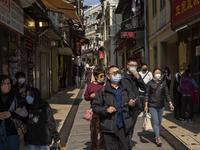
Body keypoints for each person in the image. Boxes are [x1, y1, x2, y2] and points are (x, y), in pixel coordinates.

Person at [92, 65, 136, 150]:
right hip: (109, 127)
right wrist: (106, 109)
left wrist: (133, 104)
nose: (117, 75)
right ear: (108, 76)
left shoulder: (126, 89)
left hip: (123, 126)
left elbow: (135, 101)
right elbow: (95, 106)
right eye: (114, 73)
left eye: (118, 72)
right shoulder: (103, 91)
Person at [144, 68, 174, 147]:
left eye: (159, 73)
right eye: (156, 73)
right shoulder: (150, 83)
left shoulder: (163, 83)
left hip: (161, 106)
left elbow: (167, 94)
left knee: (159, 122)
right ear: (153, 74)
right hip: (152, 106)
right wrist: (146, 105)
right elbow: (147, 95)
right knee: (156, 121)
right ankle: (158, 138)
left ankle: (156, 133)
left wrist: (171, 104)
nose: (158, 74)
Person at [0, 74, 28, 150]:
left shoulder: (16, 96)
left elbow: (25, 113)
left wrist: (11, 114)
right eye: (4, 84)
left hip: (12, 132)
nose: (7, 86)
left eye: (8, 83)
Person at [123, 58, 147, 146]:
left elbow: (145, 88)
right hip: (125, 105)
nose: (134, 67)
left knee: (132, 126)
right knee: (126, 127)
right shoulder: (122, 77)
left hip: (135, 105)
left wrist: (138, 77)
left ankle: (127, 144)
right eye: (132, 65)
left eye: (135, 66)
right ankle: (126, 144)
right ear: (127, 66)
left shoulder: (137, 76)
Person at [84, 68, 105, 150]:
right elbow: (86, 97)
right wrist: (90, 96)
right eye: (101, 76)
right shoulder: (90, 86)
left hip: (104, 110)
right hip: (94, 111)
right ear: (96, 77)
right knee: (94, 131)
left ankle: (102, 147)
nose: (103, 78)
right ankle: (93, 147)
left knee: (103, 131)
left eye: (104, 76)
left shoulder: (106, 85)